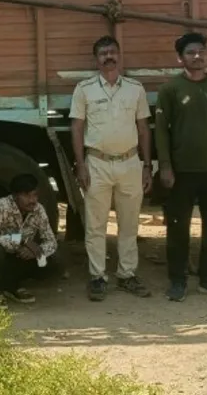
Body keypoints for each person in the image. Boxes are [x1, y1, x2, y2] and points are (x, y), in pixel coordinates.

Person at [155, 32, 207, 303]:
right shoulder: (170, 90)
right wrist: (166, 166)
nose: (197, 56)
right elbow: (161, 132)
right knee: (178, 228)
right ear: (180, 58)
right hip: (182, 172)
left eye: (201, 51)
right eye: (191, 52)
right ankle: (177, 281)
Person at [70, 35, 152, 301]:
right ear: (96, 60)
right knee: (96, 225)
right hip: (97, 163)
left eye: (113, 52)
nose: (109, 57)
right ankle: (97, 277)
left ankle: (127, 275)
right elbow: (77, 127)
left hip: (130, 162)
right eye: (103, 53)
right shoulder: (84, 89)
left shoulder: (135, 89)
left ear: (119, 55)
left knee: (129, 224)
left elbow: (143, 128)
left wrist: (147, 165)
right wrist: (80, 164)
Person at [0, 173, 58, 304]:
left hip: (19, 259)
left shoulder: (38, 210)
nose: (32, 200)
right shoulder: (2, 206)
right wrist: (21, 240)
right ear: (15, 196)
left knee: (51, 262)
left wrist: (36, 251)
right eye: (27, 195)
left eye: (35, 195)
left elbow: (51, 241)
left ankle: (13, 286)